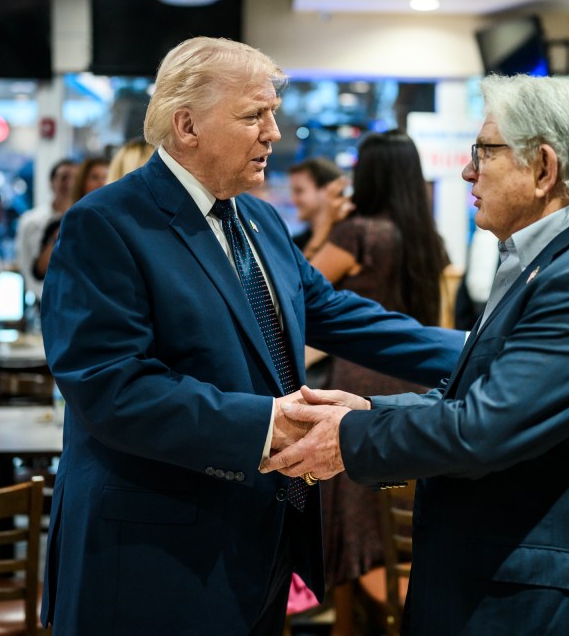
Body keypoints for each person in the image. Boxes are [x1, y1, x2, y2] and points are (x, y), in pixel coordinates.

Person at [39, 37, 465, 635]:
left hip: (257, 546)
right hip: (149, 558)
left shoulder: (258, 218)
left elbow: (338, 313)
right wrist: (266, 423)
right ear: (187, 125)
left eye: (272, 113)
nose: (274, 133)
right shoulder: (105, 223)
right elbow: (111, 388)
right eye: (253, 116)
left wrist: (482, 349)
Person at [265, 74, 569, 635]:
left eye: (484, 152)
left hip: (556, 604)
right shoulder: (557, 258)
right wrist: (370, 413)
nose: (468, 170)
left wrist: (346, 437)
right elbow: (471, 397)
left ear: (543, 168)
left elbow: (484, 429)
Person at [305, 129, 450, 635]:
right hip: (415, 386)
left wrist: (325, 223)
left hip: (362, 384)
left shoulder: (358, 232)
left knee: (353, 523)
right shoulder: (428, 239)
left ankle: (349, 625)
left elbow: (296, 292)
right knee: (396, 523)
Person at [15, 158, 75, 302]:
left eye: (75, 178)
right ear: (52, 182)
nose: (69, 183)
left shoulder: (86, 220)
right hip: (40, 298)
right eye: (63, 177)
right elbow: (25, 262)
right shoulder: (30, 220)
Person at [287, 156, 345, 258]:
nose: (293, 200)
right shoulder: (295, 244)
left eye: (299, 191)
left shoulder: (347, 239)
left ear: (329, 190)